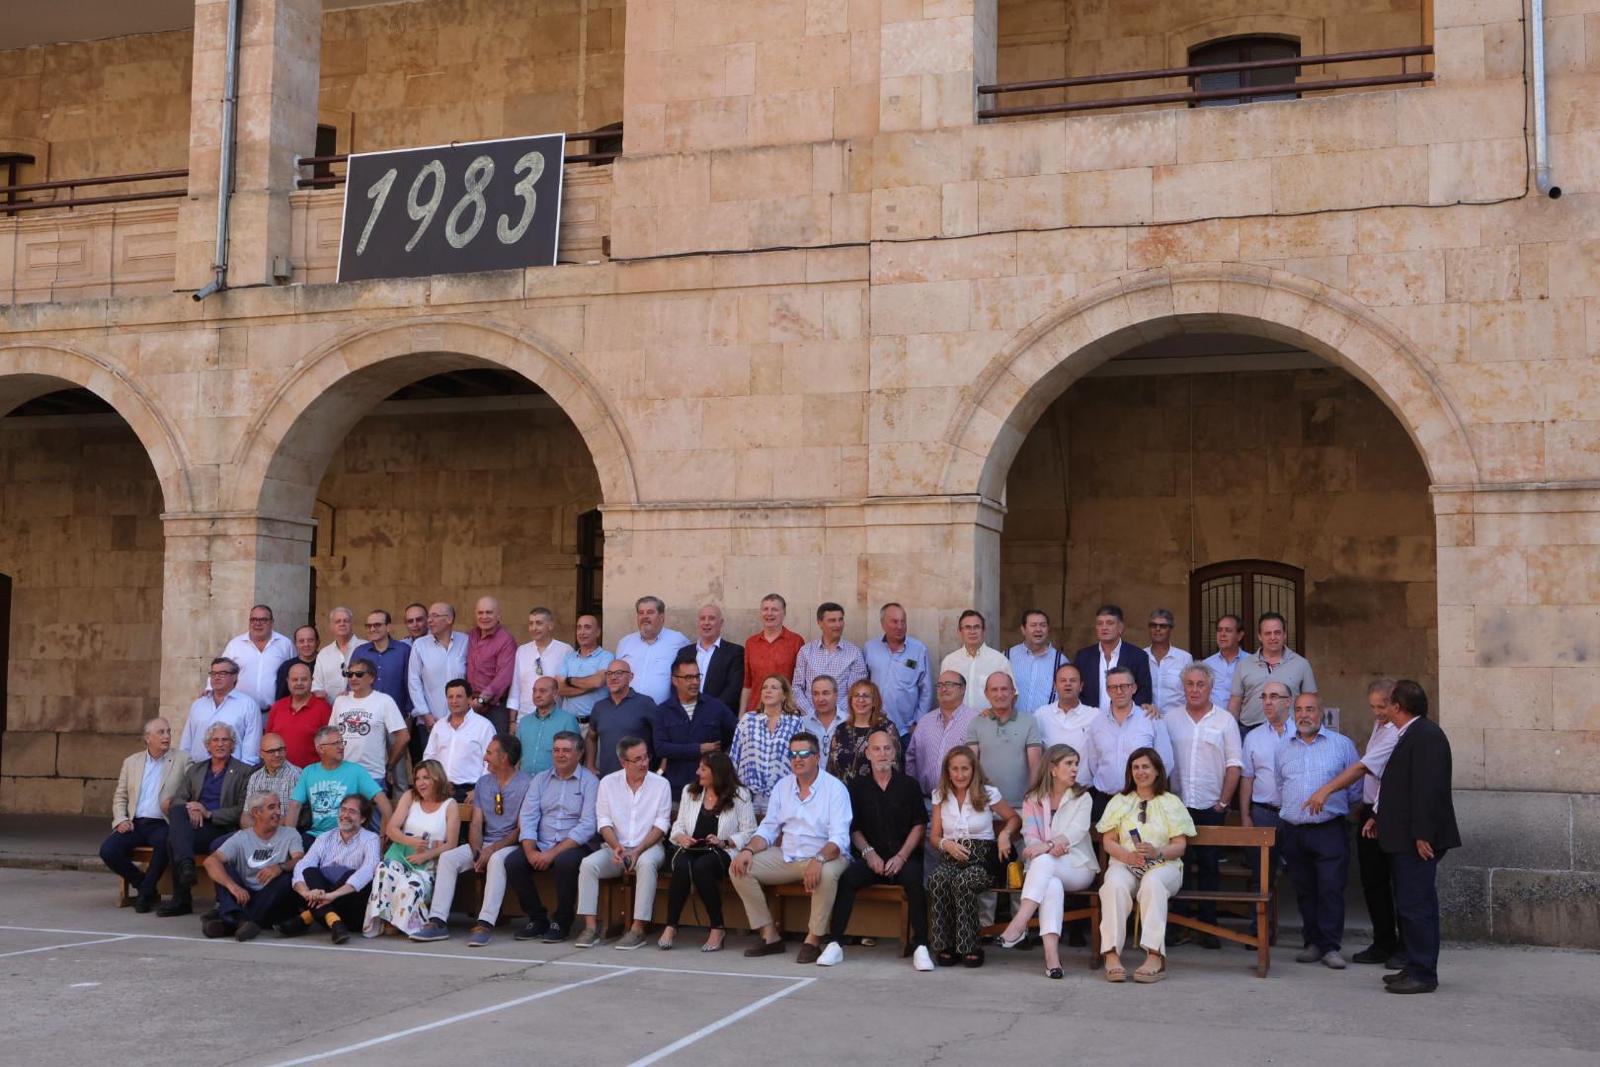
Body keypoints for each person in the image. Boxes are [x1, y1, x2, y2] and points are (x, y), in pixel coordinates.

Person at [1301, 678, 1406, 966]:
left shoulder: (1399, 732)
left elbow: (1362, 767)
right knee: (1373, 882)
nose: (1377, 712)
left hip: (1389, 813)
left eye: (1382, 706)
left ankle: (1404, 947)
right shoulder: (1380, 725)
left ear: (1396, 704)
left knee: (1399, 883)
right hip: (1370, 811)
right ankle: (1383, 942)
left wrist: (1326, 791)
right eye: (1372, 706)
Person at [730, 731, 852, 964]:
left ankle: (813, 940)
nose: (798, 758)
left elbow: (839, 839)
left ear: (817, 757)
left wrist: (818, 858)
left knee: (825, 874)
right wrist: (747, 850)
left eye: (804, 753)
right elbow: (767, 830)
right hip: (788, 855)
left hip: (827, 854)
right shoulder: (782, 786)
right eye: (793, 754)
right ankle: (770, 936)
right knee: (739, 866)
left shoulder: (835, 789)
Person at [817, 728, 933, 971]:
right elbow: (854, 827)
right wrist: (869, 853)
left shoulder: (908, 785)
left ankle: (921, 945)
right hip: (872, 857)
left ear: (894, 753)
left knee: (915, 879)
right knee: (847, 879)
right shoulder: (857, 787)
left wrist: (902, 856)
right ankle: (835, 943)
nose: (882, 753)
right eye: (877, 749)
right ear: (868, 754)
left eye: (887, 748)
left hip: (903, 857)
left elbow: (919, 825)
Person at [1375, 679, 1460, 995]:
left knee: (1417, 905)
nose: (1384, 709)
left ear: (1397, 706)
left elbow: (1428, 790)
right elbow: (1401, 790)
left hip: (1417, 841)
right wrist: (1378, 819)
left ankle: (1423, 973)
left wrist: (1424, 833)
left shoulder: (1426, 736)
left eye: (1387, 703)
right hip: (1402, 837)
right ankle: (1413, 964)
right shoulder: (1411, 734)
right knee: (1410, 904)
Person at [412, 734, 531, 945]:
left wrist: (491, 850)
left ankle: (485, 923)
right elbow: (476, 823)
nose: (485, 757)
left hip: (511, 845)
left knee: (495, 860)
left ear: (504, 758)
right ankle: (437, 921)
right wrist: (477, 850)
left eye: (489, 753)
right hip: (484, 843)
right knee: (449, 858)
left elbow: (521, 829)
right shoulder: (484, 782)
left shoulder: (526, 784)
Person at [997, 744, 1098, 978]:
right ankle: (1052, 959)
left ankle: (1019, 923)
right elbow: (1029, 838)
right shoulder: (1033, 799)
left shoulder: (1082, 798)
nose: (1075, 769)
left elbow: (1076, 832)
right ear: (1053, 768)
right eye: (1069, 764)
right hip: (1045, 871)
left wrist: (1048, 846)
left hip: (1078, 867)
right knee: (1050, 883)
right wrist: (1046, 848)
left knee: (1043, 862)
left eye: (1076, 764)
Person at [1277, 691, 1362, 969]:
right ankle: (1312, 942)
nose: (1304, 715)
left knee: (1330, 888)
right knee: (1305, 889)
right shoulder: (1284, 748)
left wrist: (1334, 808)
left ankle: (1330, 946)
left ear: (1321, 713)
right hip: (1294, 830)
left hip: (1329, 829)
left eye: (1310, 709)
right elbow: (1281, 786)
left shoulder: (1341, 745)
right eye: (1299, 710)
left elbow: (1355, 788)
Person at [1096, 748, 1194, 983]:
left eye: (1146, 767)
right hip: (1126, 862)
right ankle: (1111, 955)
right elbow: (1108, 841)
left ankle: (1154, 955)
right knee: (1114, 885)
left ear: (1158, 770)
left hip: (1164, 865)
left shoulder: (1171, 802)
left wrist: (1157, 852)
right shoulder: (1120, 801)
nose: (1140, 772)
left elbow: (1180, 846)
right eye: (1136, 767)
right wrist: (1128, 857)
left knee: (1153, 882)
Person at [1164, 662, 1242, 948]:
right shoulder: (1170, 719)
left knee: (1209, 865)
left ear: (1211, 688)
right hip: (1177, 806)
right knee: (1178, 866)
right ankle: (1181, 924)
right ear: (1183, 687)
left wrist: (1223, 802)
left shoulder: (1225, 721)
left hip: (1211, 805)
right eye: (1190, 684)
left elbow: (1234, 764)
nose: (1195, 689)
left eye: (1201, 684)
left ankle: (1209, 926)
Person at [926, 745, 1019, 967]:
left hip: (983, 857)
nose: (960, 774)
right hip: (952, 855)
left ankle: (970, 946)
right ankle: (945, 945)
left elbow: (1014, 818)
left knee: (963, 882)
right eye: (954, 769)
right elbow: (934, 836)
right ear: (947, 771)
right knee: (938, 880)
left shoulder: (987, 792)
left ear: (974, 769)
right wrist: (945, 844)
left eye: (965, 769)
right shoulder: (940, 795)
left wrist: (1005, 834)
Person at [574, 736, 671, 950]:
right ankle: (590, 927)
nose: (644, 763)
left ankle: (637, 929)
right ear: (623, 763)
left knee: (645, 863)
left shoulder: (661, 784)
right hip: (615, 848)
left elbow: (661, 825)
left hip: (649, 847)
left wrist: (637, 850)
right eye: (637, 759)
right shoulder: (608, 782)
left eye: (645, 757)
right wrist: (616, 845)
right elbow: (604, 821)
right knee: (588, 865)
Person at [504, 731, 599, 943]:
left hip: (574, 845)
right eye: (556, 750)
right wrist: (530, 851)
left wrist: (552, 853)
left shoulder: (590, 782)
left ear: (579, 754)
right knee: (513, 862)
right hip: (542, 842)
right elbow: (528, 816)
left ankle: (562, 922)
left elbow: (587, 826)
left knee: (566, 863)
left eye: (566, 750)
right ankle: (537, 918)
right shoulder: (540, 780)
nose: (560, 755)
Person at [659, 751, 756, 952]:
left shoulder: (740, 795)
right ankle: (671, 925)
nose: (698, 772)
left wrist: (725, 841)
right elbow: (677, 826)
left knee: (702, 867)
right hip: (691, 849)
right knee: (684, 866)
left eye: (703, 769)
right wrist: (681, 837)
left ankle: (717, 927)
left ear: (717, 773)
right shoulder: (690, 791)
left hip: (721, 851)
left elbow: (750, 831)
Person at [156, 723, 253, 918]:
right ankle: (186, 868)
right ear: (207, 745)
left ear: (233, 745)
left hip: (222, 827)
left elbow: (242, 810)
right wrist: (192, 806)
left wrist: (208, 813)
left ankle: (182, 897)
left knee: (172, 839)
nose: (220, 744)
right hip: (195, 825)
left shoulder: (244, 772)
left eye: (225, 740)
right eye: (215, 740)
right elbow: (179, 798)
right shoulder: (196, 770)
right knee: (177, 809)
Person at [363, 759, 459, 938]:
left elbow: (451, 844)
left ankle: (405, 924)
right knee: (385, 869)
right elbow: (391, 829)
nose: (420, 783)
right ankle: (384, 920)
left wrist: (426, 855)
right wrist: (410, 841)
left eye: (426, 778)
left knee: (410, 884)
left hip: (428, 862)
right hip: (401, 854)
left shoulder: (450, 805)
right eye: (417, 778)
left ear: (437, 779)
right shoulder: (410, 796)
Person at [101, 717, 188, 912]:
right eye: (161, 732)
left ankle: (146, 892)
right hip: (135, 823)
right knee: (108, 850)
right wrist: (121, 820)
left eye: (168, 731)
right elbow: (120, 797)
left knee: (165, 842)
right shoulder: (131, 762)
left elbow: (191, 792)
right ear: (148, 738)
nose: (167, 736)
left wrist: (175, 804)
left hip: (163, 823)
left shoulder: (183, 759)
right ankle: (145, 886)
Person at [200, 791, 305, 940]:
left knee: (287, 879)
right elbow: (210, 861)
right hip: (247, 896)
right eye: (272, 807)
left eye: (278, 807)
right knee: (223, 869)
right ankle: (243, 922)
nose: (278, 812)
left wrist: (280, 867)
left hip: (274, 899)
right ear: (256, 812)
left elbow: (300, 860)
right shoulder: (241, 837)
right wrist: (233, 886)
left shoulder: (290, 834)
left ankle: (232, 922)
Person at [285, 793, 382, 944]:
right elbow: (303, 864)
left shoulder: (371, 839)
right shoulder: (324, 837)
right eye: (343, 809)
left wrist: (332, 895)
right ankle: (334, 922)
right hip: (327, 905)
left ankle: (306, 917)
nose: (345, 815)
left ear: (363, 819)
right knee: (309, 871)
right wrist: (306, 892)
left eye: (352, 811)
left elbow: (368, 870)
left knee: (351, 874)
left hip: (352, 911)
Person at [1084, 666, 1173, 822]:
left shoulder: (1151, 720)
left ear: (1134, 688)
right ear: (1107, 690)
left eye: (1124, 686)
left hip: (1143, 801)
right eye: (1113, 687)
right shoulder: (1097, 723)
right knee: (1106, 845)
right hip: (1106, 801)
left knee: (1139, 846)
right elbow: (1094, 764)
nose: (1119, 691)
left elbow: (1165, 762)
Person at [1238, 681, 1295, 910]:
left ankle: (1311, 934)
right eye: (1264, 697)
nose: (1268, 702)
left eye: (1274, 696)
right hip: (1264, 814)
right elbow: (1247, 778)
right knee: (1261, 878)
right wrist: (1245, 816)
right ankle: (1259, 931)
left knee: (1304, 875)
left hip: (1296, 816)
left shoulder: (1301, 733)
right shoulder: (1254, 737)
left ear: (1288, 702)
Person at [287, 726, 392, 843]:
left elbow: (382, 801)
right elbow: (294, 806)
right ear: (321, 749)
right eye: (336, 743)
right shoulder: (309, 772)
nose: (341, 746)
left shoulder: (356, 771)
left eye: (341, 742)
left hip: (348, 836)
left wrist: (383, 834)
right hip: (317, 836)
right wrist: (289, 840)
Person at [655, 657, 737, 795]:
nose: (695, 682)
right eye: (688, 677)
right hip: (676, 789)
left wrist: (718, 754)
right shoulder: (663, 711)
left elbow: (736, 733)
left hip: (710, 789)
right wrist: (698, 749)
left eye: (697, 677)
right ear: (675, 680)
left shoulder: (716, 707)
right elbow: (661, 748)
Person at [1230, 612, 1317, 736]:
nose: (1272, 637)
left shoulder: (1301, 664)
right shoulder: (1244, 665)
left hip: (1291, 732)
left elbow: (1311, 701)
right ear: (1260, 636)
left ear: (1284, 635)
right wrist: (1229, 732)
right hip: (1249, 730)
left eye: (1277, 632)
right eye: (1267, 633)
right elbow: (1235, 702)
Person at [329, 659, 409, 792]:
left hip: (373, 775)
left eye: (359, 674)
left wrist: (389, 765)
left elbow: (403, 736)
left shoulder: (384, 701)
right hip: (342, 774)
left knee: (373, 813)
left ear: (371, 678)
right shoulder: (340, 701)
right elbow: (332, 735)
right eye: (350, 674)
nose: (353, 678)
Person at [964, 671, 1042, 808]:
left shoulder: (1029, 721)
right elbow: (971, 765)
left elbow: (1035, 765)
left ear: (1013, 692)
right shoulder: (976, 723)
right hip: (985, 805)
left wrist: (1033, 799)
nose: (999, 694)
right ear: (986, 694)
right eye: (994, 690)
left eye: (1004, 689)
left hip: (1021, 805)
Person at [730, 674, 804, 815]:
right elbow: (734, 757)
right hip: (747, 796)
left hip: (781, 796)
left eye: (774, 688)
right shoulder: (748, 719)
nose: (768, 691)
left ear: (784, 695)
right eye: (765, 688)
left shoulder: (795, 722)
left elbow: (798, 758)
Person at [406, 601, 469, 761]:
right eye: (429, 616)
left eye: (435, 616)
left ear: (449, 619)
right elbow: (414, 682)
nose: (429, 621)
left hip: (462, 720)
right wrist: (425, 715)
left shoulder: (466, 641)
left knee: (457, 764)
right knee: (432, 768)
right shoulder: (420, 645)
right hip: (430, 721)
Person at [863, 601, 932, 743]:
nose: (900, 626)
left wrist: (918, 723)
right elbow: (863, 684)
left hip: (906, 730)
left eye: (903, 622)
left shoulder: (919, 649)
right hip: (874, 726)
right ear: (882, 624)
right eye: (894, 622)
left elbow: (926, 690)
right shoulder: (870, 648)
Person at [905, 671, 980, 797]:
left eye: (949, 684)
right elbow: (911, 759)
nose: (943, 689)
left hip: (962, 803)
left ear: (962, 689)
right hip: (926, 801)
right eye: (939, 685)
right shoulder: (925, 721)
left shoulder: (976, 721)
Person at [422, 678, 496, 801]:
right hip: (441, 788)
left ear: (469, 699)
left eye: (459, 696)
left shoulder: (484, 726)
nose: (454, 701)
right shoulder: (439, 726)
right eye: (450, 697)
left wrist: (479, 790)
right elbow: (429, 757)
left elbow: (492, 762)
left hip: (470, 791)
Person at [180, 657, 261, 766]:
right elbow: (187, 741)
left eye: (222, 673)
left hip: (232, 773)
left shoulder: (247, 705)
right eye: (213, 673)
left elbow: (251, 747)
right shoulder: (198, 705)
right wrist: (186, 768)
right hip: (197, 771)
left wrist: (242, 775)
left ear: (234, 676)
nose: (216, 677)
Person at [1072, 604, 1154, 712]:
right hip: (1090, 722)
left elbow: (1144, 693)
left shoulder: (1138, 656)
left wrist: (1126, 715)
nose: (1104, 627)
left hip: (1124, 722)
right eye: (1100, 623)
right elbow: (1076, 690)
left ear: (1120, 628)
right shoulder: (1083, 656)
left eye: (1109, 623)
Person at [793, 602, 868, 716]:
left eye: (840, 620)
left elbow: (855, 691)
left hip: (842, 720)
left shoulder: (854, 653)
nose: (838, 625)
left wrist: (835, 714)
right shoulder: (806, 651)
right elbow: (796, 688)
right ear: (820, 623)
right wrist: (810, 713)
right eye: (832, 620)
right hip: (809, 720)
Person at [587, 660, 658, 777]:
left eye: (619, 673)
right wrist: (590, 765)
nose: (613, 677)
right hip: (608, 779)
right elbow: (591, 737)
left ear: (631, 677)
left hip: (641, 777)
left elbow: (662, 737)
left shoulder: (645, 703)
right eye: (609, 673)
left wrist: (660, 769)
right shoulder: (599, 707)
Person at [218, 604, 294, 713]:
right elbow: (221, 670)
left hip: (274, 712)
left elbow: (295, 671)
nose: (257, 623)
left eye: (263, 620)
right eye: (253, 619)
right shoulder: (235, 645)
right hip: (240, 711)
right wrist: (209, 689)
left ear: (272, 622)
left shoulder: (285, 644)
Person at [615, 595, 690, 704]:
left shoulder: (678, 640)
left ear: (661, 617)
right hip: (629, 711)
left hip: (662, 712)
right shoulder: (625, 643)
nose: (644, 616)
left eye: (650, 612)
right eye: (641, 613)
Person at [508, 606, 574, 728]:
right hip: (525, 718)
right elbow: (516, 687)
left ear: (550, 625)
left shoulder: (565, 650)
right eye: (531, 623)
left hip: (555, 718)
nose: (534, 628)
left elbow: (568, 688)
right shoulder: (522, 651)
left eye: (539, 623)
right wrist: (512, 721)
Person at [1032, 663, 1098, 784]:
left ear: (1081, 686)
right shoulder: (1041, 714)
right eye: (1063, 680)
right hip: (1051, 789)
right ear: (1055, 686)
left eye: (1073, 680)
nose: (1068, 684)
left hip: (1084, 789)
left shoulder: (1095, 715)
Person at [740, 592, 805, 711]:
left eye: (774, 609)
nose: (769, 613)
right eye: (765, 609)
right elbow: (747, 684)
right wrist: (741, 715)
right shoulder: (751, 643)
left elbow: (800, 684)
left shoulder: (796, 641)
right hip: (755, 710)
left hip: (785, 710)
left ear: (784, 613)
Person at [939, 610, 1011, 710]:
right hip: (957, 723)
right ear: (959, 632)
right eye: (967, 627)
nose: (972, 632)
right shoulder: (949, 662)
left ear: (984, 631)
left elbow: (1012, 695)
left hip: (989, 723)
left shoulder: (999, 660)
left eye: (976, 627)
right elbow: (943, 694)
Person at [266, 662, 333, 768]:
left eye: (304, 679)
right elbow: (267, 740)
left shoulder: (323, 708)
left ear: (312, 681)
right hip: (279, 775)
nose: (299, 683)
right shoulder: (277, 707)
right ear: (288, 681)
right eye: (295, 680)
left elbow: (331, 746)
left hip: (311, 775)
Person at [466, 596, 517, 734]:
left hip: (494, 707)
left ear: (498, 614)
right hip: (471, 705)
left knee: (495, 749)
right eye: (480, 613)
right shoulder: (471, 635)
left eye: (489, 612)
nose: (484, 616)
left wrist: (482, 700)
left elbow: (503, 677)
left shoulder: (506, 640)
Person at [678, 603, 744, 710]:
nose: (706, 622)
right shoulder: (684, 652)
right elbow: (676, 683)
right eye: (702, 618)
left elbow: (733, 690)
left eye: (712, 618)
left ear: (721, 623)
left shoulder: (734, 652)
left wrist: (707, 712)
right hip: (686, 715)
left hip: (718, 717)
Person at [827, 680, 893, 784]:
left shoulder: (887, 728)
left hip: (875, 794)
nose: (860, 700)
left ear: (874, 701)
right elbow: (831, 768)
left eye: (866, 696)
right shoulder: (841, 729)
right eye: (856, 695)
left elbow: (895, 765)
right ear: (851, 700)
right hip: (844, 794)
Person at [352, 609, 412, 720]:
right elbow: (352, 684)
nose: (372, 629)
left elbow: (410, 684)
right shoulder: (360, 652)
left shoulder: (404, 651)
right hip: (366, 716)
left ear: (388, 627)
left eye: (377, 625)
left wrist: (409, 715)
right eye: (368, 626)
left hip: (397, 717)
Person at [516, 675, 580, 776]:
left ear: (555, 694)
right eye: (534, 691)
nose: (537, 695)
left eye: (542, 691)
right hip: (525, 783)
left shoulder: (567, 720)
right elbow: (517, 756)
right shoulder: (524, 722)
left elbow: (574, 757)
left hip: (554, 784)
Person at [557, 613, 614, 723]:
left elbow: (598, 682)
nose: (582, 632)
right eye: (579, 628)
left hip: (594, 723)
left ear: (598, 632)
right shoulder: (569, 658)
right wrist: (589, 686)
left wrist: (568, 680)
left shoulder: (606, 656)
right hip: (569, 722)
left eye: (587, 627)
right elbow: (559, 689)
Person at [1007, 609, 1065, 713]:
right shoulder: (1007, 657)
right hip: (1014, 724)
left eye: (1043, 625)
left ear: (1048, 629)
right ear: (1023, 629)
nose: (1038, 629)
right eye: (1033, 625)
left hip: (1047, 725)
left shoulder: (1061, 661)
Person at [1143, 609, 1193, 716]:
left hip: (1178, 719)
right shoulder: (1141, 656)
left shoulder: (1184, 658)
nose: (1157, 629)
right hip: (1147, 719)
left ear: (1170, 629)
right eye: (1153, 625)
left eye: (1163, 626)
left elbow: (1191, 690)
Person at [312, 606, 366, 701]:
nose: (342, 624)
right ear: (331, 626)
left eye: (346, 621)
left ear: (351, 624)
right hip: (332, 710)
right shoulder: (324, 654)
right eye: (338, 621)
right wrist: (319, 693)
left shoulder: (366, 648)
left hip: (362, 708)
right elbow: (317, 685)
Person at [1200, 614, 1248, 711]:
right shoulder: (1206, 664)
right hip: (1212, 721)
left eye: (1228, 630)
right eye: (1219, 630)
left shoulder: (1251, 662)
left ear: (1239, 636)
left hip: (1244, 722)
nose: (1222, 634)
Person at [247, 732, 300, 813]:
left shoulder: (296, 775)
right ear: (261, 754)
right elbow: (246, 813)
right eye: (271, 751)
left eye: (280, 749)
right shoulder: (255, 777)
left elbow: (289, 817)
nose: (277, 754)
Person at [801, 675, 845, 764]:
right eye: (816, 694)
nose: (820, 699)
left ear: (836, 695)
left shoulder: (848, 721)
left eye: (825, 693)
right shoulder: (802, 723)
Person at [274, 624, 320, 703]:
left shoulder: (325, 663)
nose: (306, 644)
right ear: (296, 644)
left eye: (310, 640)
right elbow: (280, 699)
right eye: (301, 641)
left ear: (317, 642)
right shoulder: (286, 667)